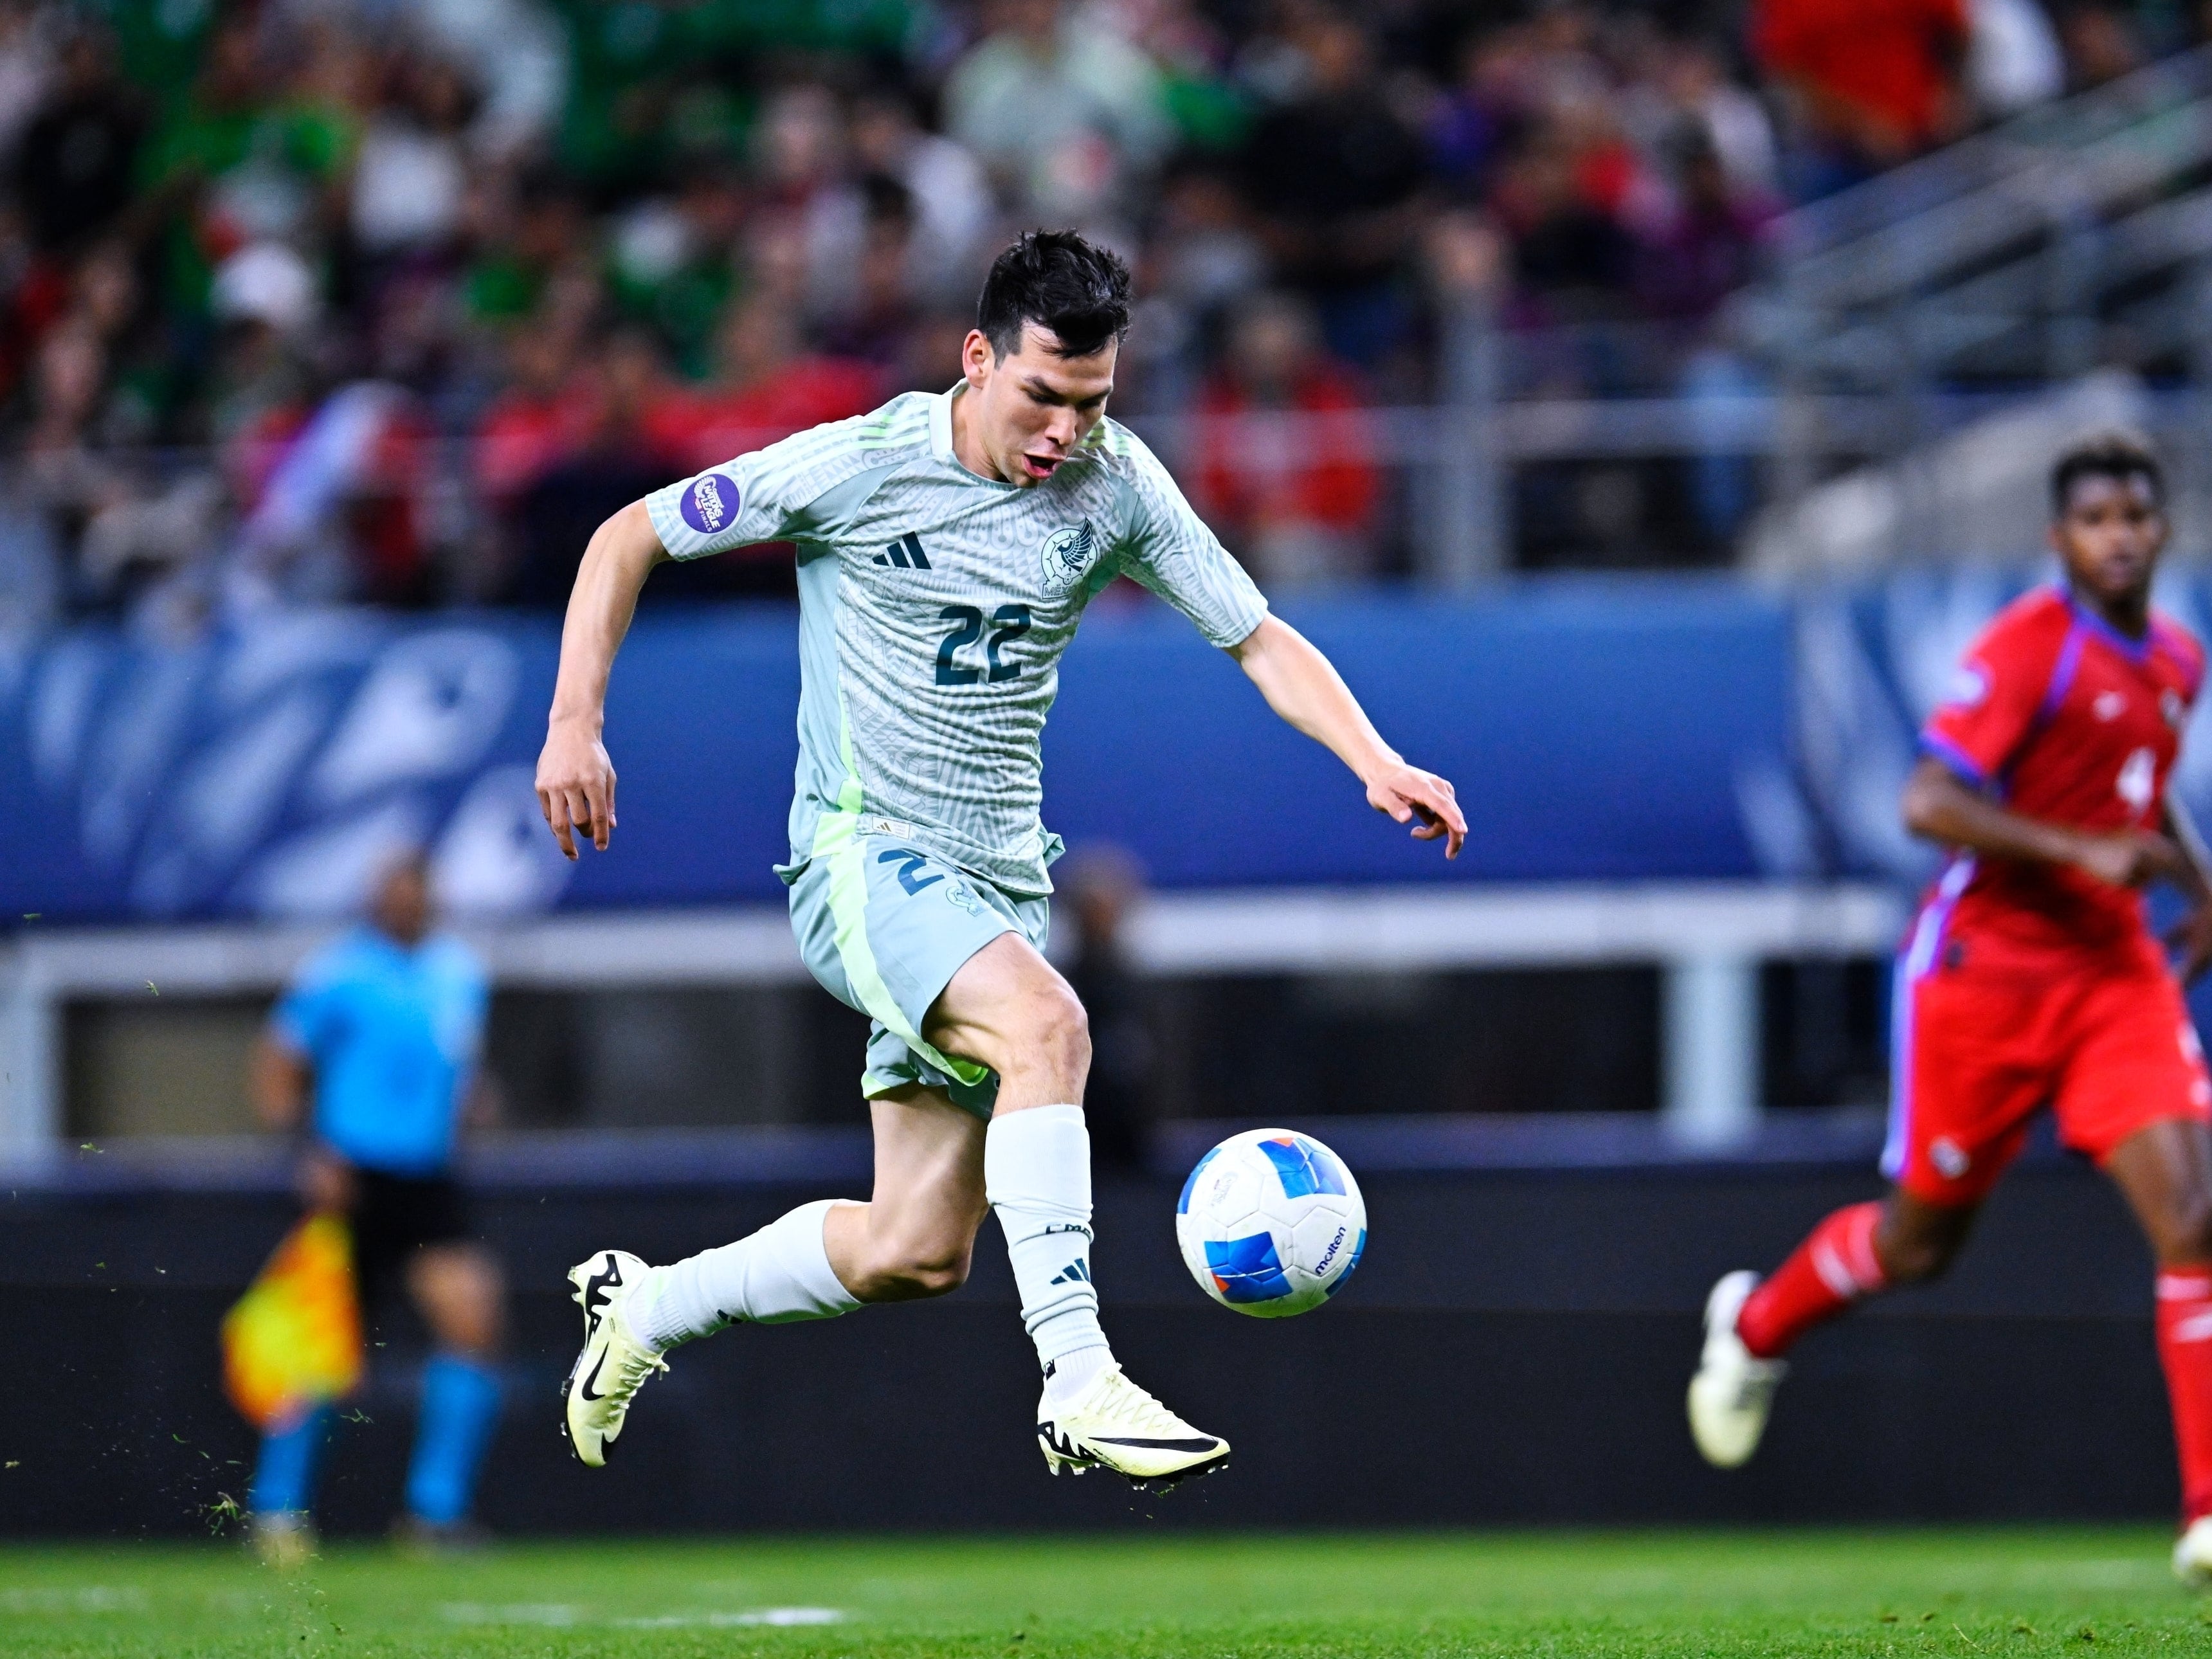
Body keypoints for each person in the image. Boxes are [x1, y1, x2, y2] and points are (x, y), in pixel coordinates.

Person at [535, 229, 1465, 1489]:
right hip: (862, 862)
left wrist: (1373, 756)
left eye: (1090, 404)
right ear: (977, 360)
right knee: (1050, 1028)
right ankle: (1078, 1376)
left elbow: (1255, 637)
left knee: (912, 1250)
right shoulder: (859, 466)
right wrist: (574, 723)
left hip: (996, 887)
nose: (1063, 434)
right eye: (1042, 397)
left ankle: (645, 1310)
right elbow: (625, 537)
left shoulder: (1118, 483)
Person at [1687, 433, 2212, 1585]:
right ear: (2058, 540)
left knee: (2194, 1214)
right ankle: (1757, 1329)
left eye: (2137, 514)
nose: (2119, 535)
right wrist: (2079, 849)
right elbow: (1928, 798)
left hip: (2113, 972)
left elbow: (2137, 780)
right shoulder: (2028, 650)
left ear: (2162, 529)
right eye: (2097, 519)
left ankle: (2207, 1515)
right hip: (1986, 975)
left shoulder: (2175, 657)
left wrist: (2199, 883)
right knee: (1917, 1244)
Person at [245, 852, 505, 1558]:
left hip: (427, 1181)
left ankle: (433, 1515)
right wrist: (306, 1148)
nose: (403, 904)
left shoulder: (459, 972)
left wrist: (470, 1099)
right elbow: (277, 1062)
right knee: (324, 1349)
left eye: (414, 893)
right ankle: (276, 1513)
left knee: (473, 1324)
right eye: (390, 893)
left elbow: (458, 1063)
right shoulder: (337, 972)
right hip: (351, 1178)